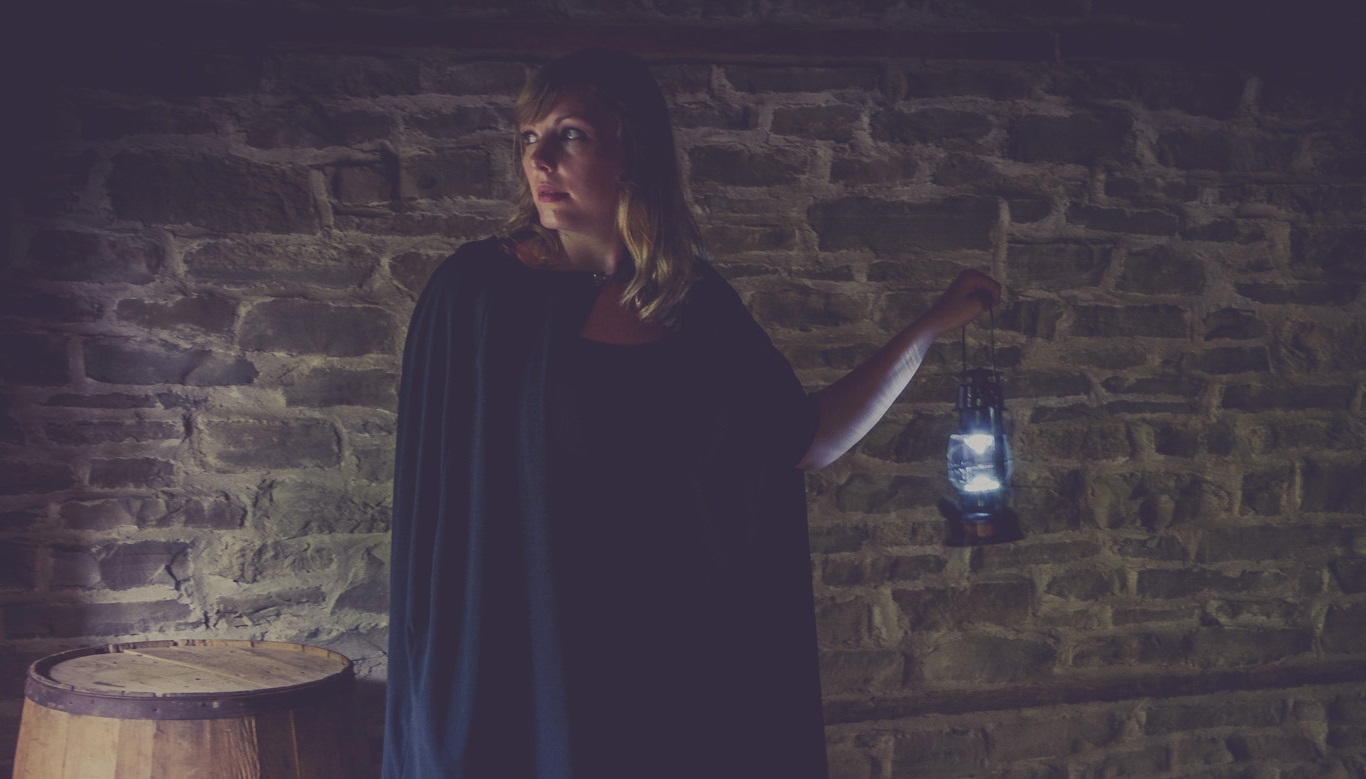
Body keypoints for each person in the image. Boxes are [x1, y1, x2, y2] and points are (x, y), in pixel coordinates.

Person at [382, 48, 1001, 779]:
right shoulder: (476, 295)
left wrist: (924, 329)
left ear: (631, 148)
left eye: (570, 134)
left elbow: (806, 438)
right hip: (519, 677)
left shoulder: (687, 302)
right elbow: (440, 525)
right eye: (527, 138)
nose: (540, 158)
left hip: (660, 682)